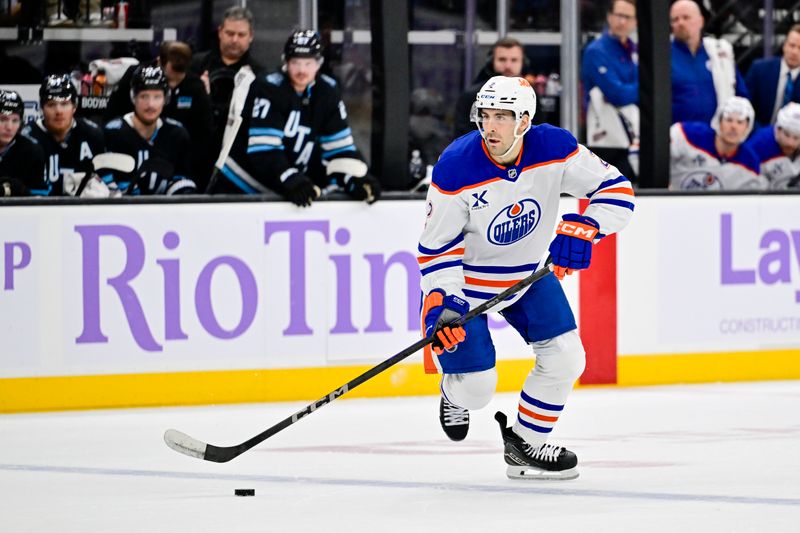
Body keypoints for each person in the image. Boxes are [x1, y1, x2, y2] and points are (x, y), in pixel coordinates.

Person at [418, 76, 634, 480]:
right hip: (466, 291)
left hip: (527, 277)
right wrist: (442, 304)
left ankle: (525, 443)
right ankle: (453, 390)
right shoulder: (455, 166)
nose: (491, 126)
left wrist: (588, 226)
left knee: (567, 357)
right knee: (478, 390)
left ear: (524, 121)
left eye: (502, 116)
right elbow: (436, 248)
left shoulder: (553, 147)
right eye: (485, 115)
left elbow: (617, 190)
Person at [208, 29, 381, 206]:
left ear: (319, 63)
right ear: (286, 62)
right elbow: (263, 150)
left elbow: (339, 149)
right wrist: (290, 178)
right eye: (296, 62)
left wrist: (354, 178)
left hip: (284, 190)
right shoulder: (269, 87)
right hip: (241, 187)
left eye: (308, 63)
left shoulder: (327, 92)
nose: (301, 70)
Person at [105, 42, 214, 187]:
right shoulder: (135, 76)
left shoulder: (195, 86)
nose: (172, 87)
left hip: (173, 163)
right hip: (128, 157)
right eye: (169, 80)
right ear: (158, 62)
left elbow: (205, 138)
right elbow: (111, 116)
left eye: (178, 80)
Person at [190, 6, 263, 177]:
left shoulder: (258, 75)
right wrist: (199, 94)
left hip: (236, 158)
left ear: (250, 36)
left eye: (241, 35)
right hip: (196, 152)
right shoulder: (196, 65)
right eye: (230, 33)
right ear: (220, 32)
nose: (235, 40)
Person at [104, 66, 196, 195]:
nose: (151, 104)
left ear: (166, 98)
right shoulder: (113, 133)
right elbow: (104, 183)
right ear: (133, 97)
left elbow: (182, 180)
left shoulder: (177, 134)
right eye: (144, 96)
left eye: (157, 97)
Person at [21, 74, 111, 196]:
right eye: (51, 104)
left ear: (74, 107)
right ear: (41, 108)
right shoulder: (27, 138)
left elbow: (109, 186)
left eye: (64, 104)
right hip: (39, 211)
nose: (58, 111)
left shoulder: (92, 134)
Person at [581, 0, 639, 181]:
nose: (622, 21)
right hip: (606, 139)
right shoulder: (596, 51)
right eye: (619, 16)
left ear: (635, 21)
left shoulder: (635, 50)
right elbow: (618, 95)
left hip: (634, 134)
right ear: (609, 17)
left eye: (628, 17)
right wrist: (645, 89)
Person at [670, 0, 748, 125]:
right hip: (678, 137)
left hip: (718, 135)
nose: (680, 23)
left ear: (701, 21)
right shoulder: (663, 55)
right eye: (675, 19)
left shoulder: (719, 52)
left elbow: (741, 94)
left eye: (686, 17)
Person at [669, 96, 763, 190]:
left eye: (740, 122)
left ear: (747, 127)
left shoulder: (750, 163)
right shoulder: (688, 135)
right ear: (719, 121)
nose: (733, 126)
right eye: (729, 120)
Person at [453, 37, 526, 138]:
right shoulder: (471, 97)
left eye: (514, 60)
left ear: (523, 63)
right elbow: (463, 140)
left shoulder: (530, 96)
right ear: (491, 62)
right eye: (502, 59)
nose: (508, 66)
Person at [745, 24, 800, 128]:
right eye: (792, 45)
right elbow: (745, 107)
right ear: (784, 45)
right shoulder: (759, 69)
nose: (795, 52)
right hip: (757, 135)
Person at [0, 89, 48, 197]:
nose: (9, 127)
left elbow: (40, 199)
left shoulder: (33, 152)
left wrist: (18, 189)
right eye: (3, 119)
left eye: (15, 120)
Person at [744, 102, 800, 189]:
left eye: (796, 138)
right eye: (787, 135)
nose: (790, 143)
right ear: (778, 129)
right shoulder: (759, 143)